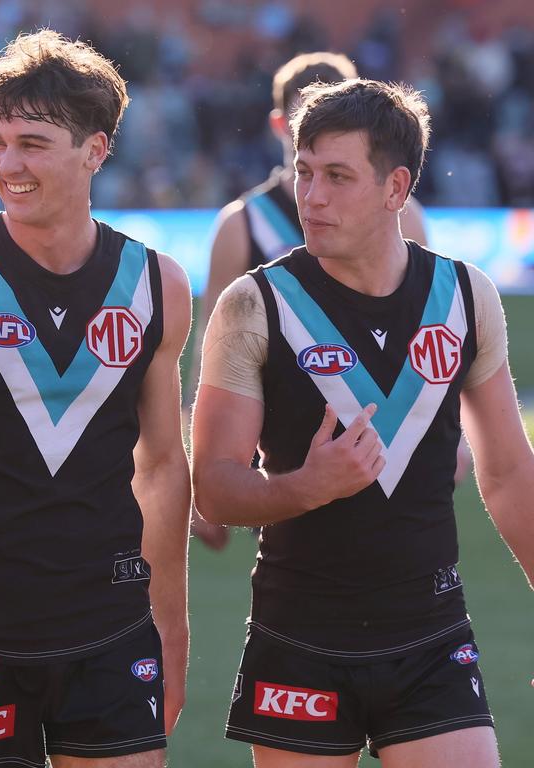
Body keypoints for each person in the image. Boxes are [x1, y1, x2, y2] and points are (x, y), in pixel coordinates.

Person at [192, 77, 534, 767]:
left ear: (395, 188)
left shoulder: (466, 298)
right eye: (305, 172)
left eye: (337, 177)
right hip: (299, 639)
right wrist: (306, 486)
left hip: (432, 637)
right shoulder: (252, 306)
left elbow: (507, 470)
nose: (310, 197)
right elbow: (214, 487)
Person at [0, 30, 192, 768]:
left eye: (32, 142)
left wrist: (170, 631)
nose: (7, 164)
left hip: (113, 631)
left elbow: (161, 467)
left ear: (96, 149)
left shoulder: (157, 284)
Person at [188, 52, 431, 550]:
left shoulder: (403, 213)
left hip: (386, 429)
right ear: (282, 122)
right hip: (284, 431)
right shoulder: (242, 223)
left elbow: (430, 329)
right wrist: (204, 461)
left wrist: (452, 440)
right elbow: (209, 350)